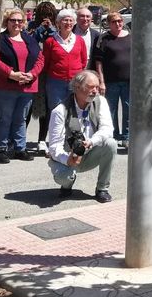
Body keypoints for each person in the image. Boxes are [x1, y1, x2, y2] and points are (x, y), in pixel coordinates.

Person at [47, 70, 116, 202]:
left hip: (90, 153)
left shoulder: (100, 101)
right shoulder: (60, 111)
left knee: (111, 143)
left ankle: (102, 189)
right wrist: (67, 159)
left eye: (97, 87)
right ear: (77, 87)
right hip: (69, 157)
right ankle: (67, 183)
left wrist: (92, 141)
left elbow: (107, 129)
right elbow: (54, 146)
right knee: (64, 176)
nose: (95, 91)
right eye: (91, 87)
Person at [0, 9, 45, 164]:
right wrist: (11, 74)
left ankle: (19, 148)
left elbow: (40, 59)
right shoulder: (0, 39)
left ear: (24, 23)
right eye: (13, 20)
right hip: (5, 86)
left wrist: (32, 74)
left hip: (27, 86)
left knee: (20, 118)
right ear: (6, 22)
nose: (16, 23)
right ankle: (2, 149)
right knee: (5, 118)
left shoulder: (29, 39)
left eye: (19, 21)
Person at [92, 11, 132, 149]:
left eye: (120, 21)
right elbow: (98, 62)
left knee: (128, 109)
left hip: (129, 81)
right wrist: (101, 81)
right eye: (114, 21)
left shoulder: (130, 37)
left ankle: (127, 137)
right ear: (109, 24)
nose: (118, 24)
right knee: (111, 110)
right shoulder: (104, 39)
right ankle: (113, 135)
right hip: (110, 82)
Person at [42, 9, 88, 124]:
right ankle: (57, 140)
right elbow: (45, 63)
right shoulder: (50, 42)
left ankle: (70, 140)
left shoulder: (80, 40)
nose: (68, 23)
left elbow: (83, 61)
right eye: (65, 20)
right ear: (58, 23)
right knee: (56, 112)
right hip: (55, 83)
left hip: (75, 82)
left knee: (74, 112)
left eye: (71, 20)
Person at [26, 1, 58, 154]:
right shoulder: (32, 25)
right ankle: (18, 140)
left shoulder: (56, 27)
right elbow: (30, 42)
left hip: (49, 72)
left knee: (45, 107)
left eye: (50, 15)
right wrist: (39, 29)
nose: (47, 18)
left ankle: (41, 140)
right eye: (43, 15)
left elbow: (57, 41)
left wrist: (50, 29)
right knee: (28, 106)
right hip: (33, 70)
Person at [75, 6, 103, 71]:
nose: (85, 19)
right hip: (72, 73)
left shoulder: (96, 35)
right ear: (76, 18)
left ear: (91, 19)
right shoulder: (70, 32)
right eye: (82, 16)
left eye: (88, 16)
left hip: (89, 72)